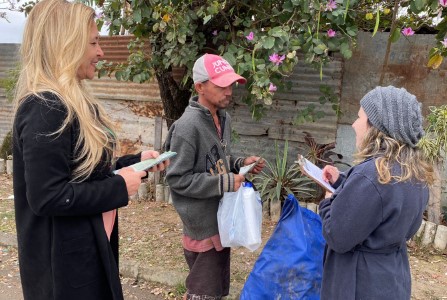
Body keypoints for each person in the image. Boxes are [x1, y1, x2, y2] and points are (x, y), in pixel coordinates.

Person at [12, 0, 169, 299]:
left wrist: (133, 165)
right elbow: (48, 196)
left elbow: (81, 171)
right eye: (94, 42)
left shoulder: (70, 103)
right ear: (66, 44)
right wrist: (119, 187)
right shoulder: (46, 109)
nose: (101, 53)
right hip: (63, 275)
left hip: (83, 257)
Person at [318, 86, 435, 299]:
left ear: (377, 127)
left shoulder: (371, 175)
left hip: (358, 282)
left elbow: (337, 236)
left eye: (359, 117)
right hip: (391, 277)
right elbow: (382, 202)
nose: (354, 125)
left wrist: (328, 200)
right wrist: (342, 181)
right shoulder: (414, 173)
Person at [165, 53, 265, 300]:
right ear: (200, 86)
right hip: (202, 227)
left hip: (221, 220)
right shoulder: (187, 127)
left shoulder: (223, 118)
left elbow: (216, 162)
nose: (229, 91)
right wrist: (225, 182)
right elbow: (177, 179)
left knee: (216, 291)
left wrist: (240, 164)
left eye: (231, 84)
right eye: (222, 85)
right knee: (203, 294)